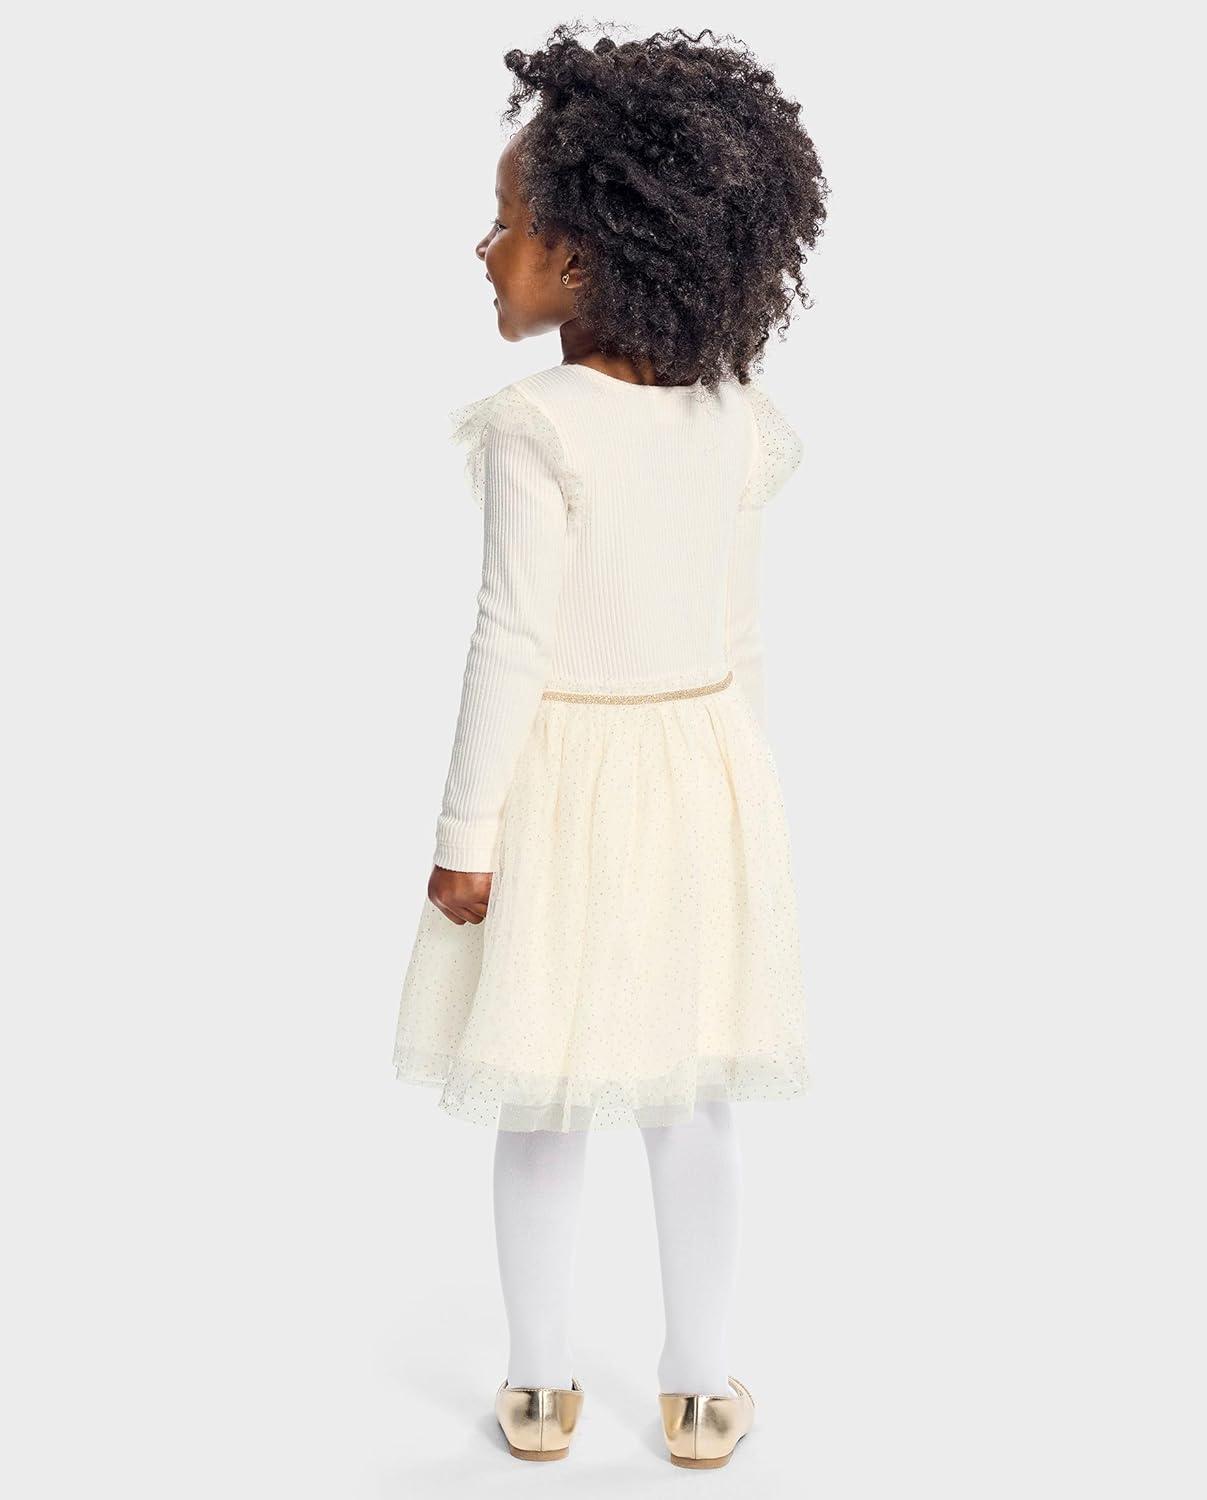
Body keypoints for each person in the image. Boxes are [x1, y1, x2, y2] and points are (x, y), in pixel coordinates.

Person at [393, 23, 829, 1469]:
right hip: (701, 779)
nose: (485, 250)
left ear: (579, 257)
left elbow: (507, 644)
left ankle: (538, 1389)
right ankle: (700, 1389)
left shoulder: (539, 428)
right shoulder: (737, 418)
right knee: (693, 1095)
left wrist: (464, 838)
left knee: (542, 1088)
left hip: (565, 789)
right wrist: (747, 793)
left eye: (507, 225)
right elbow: (737, 636)